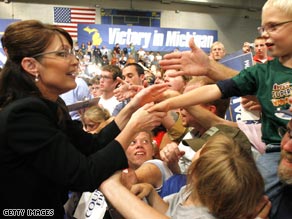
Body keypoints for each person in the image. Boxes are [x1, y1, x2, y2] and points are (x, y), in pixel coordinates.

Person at [0, 20, 168, 218]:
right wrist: (134, 127)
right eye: (62, 54)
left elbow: (92, 145)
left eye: (71, 52)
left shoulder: (52, 105)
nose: (74, 60)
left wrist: (132, 107)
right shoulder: (24, 114)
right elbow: (83, 174)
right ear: (31, 65)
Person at [151, 0, 292, 149]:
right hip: (276, 151)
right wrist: (168, 103)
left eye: (273, 26)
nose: (264, 34)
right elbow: (215, 89)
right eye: (262, 28)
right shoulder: (262, 72)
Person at [100, 134, 270, 219]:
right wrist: (152, 194)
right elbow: (170, 212)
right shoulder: (193, 192)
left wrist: (112, 186)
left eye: (200, 151)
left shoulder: (202, 214)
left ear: (195, 173)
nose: (196, 151)